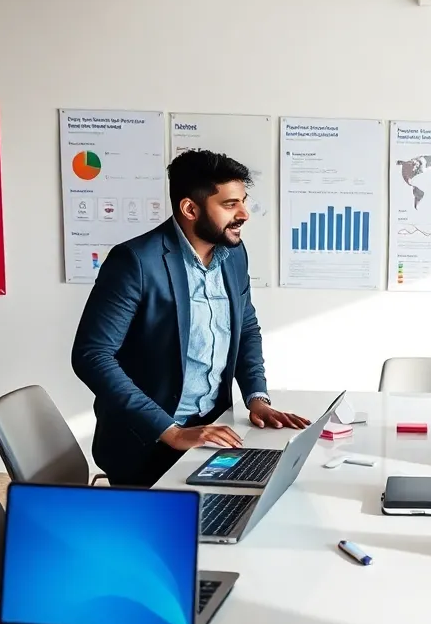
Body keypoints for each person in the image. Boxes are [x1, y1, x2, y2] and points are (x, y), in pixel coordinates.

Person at [72, 149, 310, 487]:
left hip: (214, 431)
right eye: (230, 205)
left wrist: (256, 397)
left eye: (243, 201)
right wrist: (170, 431)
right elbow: (92, 356)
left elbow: (246, 328)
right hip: (148, 445)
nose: (244, 214)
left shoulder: (233, 254)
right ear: (190, 208)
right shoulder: (135, 262)